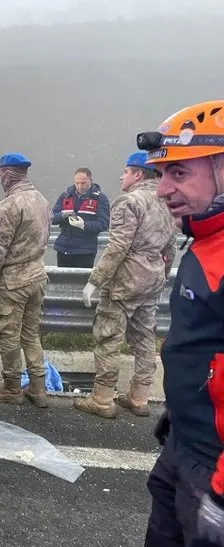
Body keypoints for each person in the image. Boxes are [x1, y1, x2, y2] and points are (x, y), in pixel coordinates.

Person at [135, 100, 224, 547]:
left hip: (214, 467)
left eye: (180, 174)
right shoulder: (205, 239)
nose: (162, 190)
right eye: (161, 174)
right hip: (186, 444)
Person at [75, 151, 177, 419]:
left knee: (108, 336)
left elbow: (117, 247)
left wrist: (94, 281)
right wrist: (163, 274)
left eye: (126, 171)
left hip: (125, 281)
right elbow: (170, 247)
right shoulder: (168, 201)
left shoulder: (128, 202)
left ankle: (102, 398)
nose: (122, 176)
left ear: (138, 174)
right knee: (144, 337)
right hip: (152, 279)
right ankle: (140, 396)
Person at [0, 154, 52, 408]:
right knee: (31, 334)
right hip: (38, 276)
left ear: (8, 174)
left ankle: (11, 387)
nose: (0, 179)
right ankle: (38, 388)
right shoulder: (42, 200)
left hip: (14, 282)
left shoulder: (8, 206)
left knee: (8, 334)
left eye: (1, 174)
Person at [52, 167, 110, 267]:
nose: (80, 186)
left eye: (83, 183)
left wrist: (84, 225)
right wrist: (63, 215)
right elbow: (52, 218)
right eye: (77, 183)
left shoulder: (100, 199)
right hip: (64, 248)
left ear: (90, 181)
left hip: (85, 251)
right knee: (62, 281)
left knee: (81, 281)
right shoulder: (66, 196)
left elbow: (103, 224)